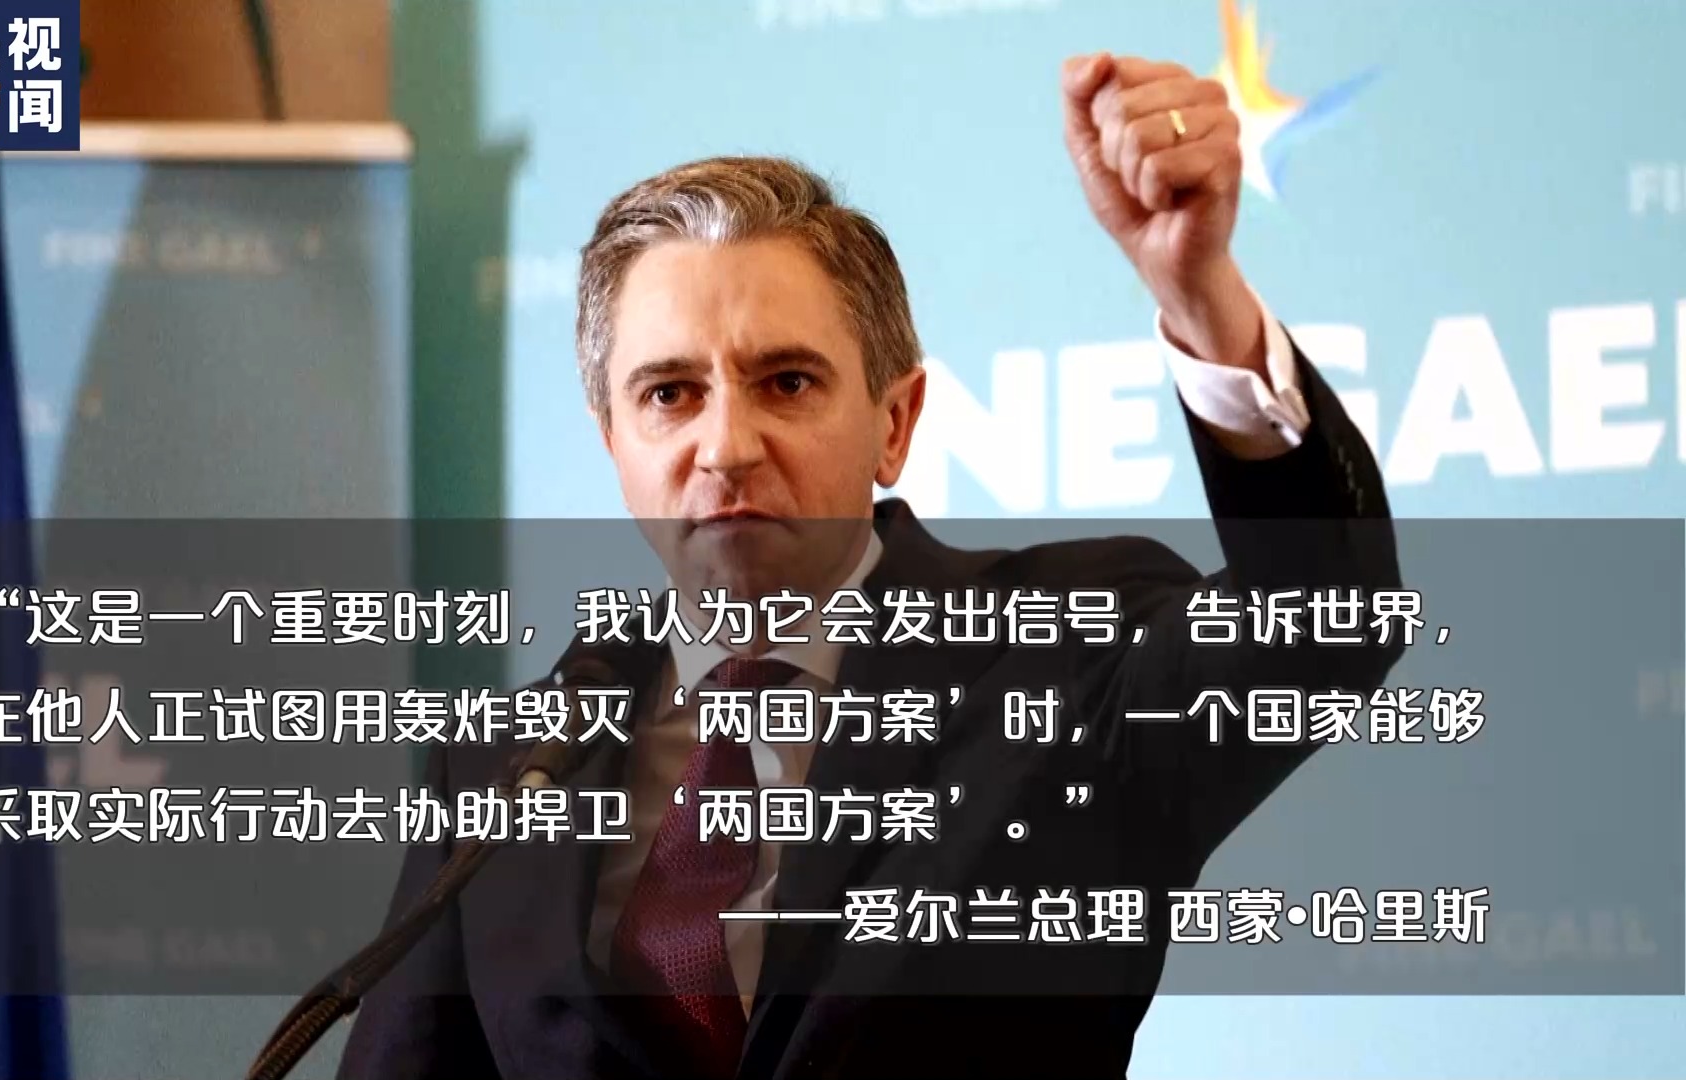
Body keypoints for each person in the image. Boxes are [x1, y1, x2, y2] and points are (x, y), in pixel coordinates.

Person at [340, 52, 1402, 1079]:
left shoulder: (1071, 655)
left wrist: (1201, 294)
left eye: (787, 383)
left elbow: (1326, 618)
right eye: (669, 394)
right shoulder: (503, 772)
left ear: (894, 423)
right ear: (613, 441)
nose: (725, 446)